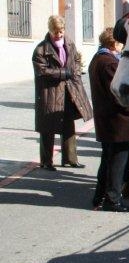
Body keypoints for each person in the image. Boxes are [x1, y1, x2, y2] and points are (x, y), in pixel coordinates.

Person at [88, 28, 129, 212]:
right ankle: (112, 199)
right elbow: (119, 94)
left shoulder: (98, 59)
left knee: (108, 161)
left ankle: (100, 196)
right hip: (117, 122)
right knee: (116, 163)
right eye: (120, 43)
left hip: (109, 120)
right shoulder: (109, 63)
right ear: (113, 43)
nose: (122, 47)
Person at [32, 15, 93, 171]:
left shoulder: (69, 43)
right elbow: (41, 71)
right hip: (50, 93)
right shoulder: (41, 49)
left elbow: (77, 60)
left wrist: (76, 72)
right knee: (48, 127)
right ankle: (46, 161)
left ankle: (70, 158)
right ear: (50, 30)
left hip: (69, 90)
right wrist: (62, 73)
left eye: (61, 30)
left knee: (68, 124)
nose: (59, 34)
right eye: (56, 31)